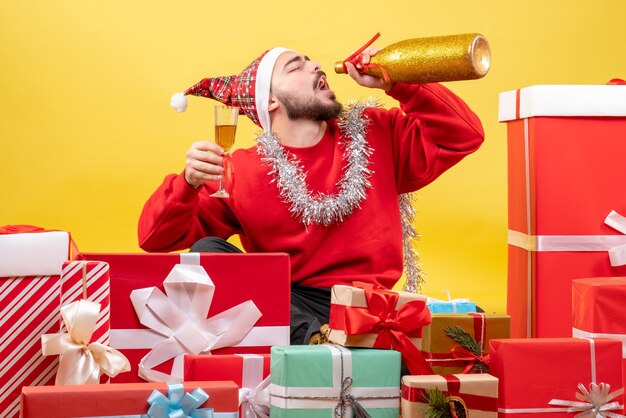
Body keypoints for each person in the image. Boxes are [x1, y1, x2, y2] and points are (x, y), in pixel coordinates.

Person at [138, 45, 485, 346]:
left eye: (310, 61)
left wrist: (401, 85)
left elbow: (464, 135)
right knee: (207, 253)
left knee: (473, 331)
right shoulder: (238, 170)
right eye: (296, 66)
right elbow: (154, 238)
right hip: (291, 306)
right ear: (270, 99)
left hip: (372, 303)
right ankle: (317, 344)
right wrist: (187, 182)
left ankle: (349, 347)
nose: (315, 66)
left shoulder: (376, 131)